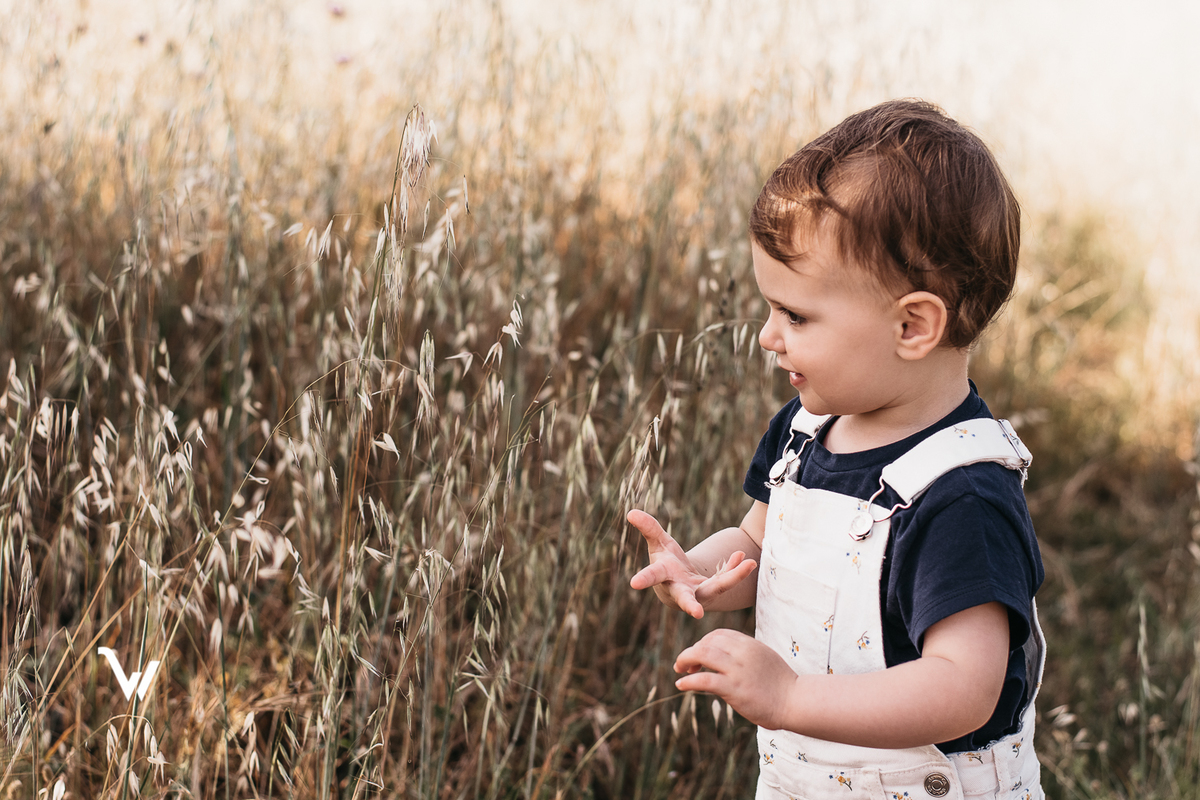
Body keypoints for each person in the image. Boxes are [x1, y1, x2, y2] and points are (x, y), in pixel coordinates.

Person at [628, 99, 1045, 800]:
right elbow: (763, 544)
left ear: (912, 325)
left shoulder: (961, 496)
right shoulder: (804, 432)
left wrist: (790, 698)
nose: (768, 335)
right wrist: (702, 570)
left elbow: (963, 687)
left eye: (795, 314)